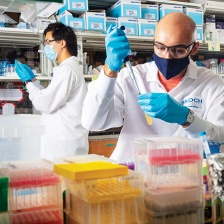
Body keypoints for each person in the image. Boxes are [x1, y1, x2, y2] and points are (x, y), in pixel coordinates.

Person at [81, 12, 224, 163]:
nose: (167, 56)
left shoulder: (213, 84)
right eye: (160, 47)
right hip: (131, 172)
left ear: (194, 48)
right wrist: (109, 69)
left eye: (178, 50)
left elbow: (221, 136)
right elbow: (92, 122)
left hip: (182, 177)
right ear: (154, 42)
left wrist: (187, 118)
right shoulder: (130, 77)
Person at [15, 22, 89, 162]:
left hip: (64, 146)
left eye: (48, 42)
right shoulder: (68, 68)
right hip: (66, 142)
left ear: (62, 43)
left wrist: (28, 82)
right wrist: (34, 81)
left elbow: (45, 103)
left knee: (62, 182)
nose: (46, 46)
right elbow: (50, 97)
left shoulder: (67, 70)